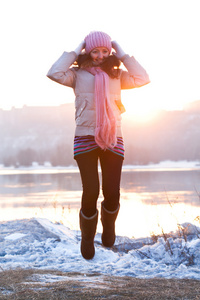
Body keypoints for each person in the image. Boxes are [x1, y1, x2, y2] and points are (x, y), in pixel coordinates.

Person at [47, 31, 150, 260]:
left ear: (110, 52)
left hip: (113, 138)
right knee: (91, 190)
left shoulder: (117, 76)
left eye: (105, 51)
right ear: (88, 51)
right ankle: (87, 236)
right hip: (85, 137)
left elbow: (143, 78)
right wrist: (75, 50)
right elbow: (54, 73)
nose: (100, 56)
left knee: (112, 192)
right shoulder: (76, 75)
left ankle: (109, 225)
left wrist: (123, 55)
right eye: (95, 51)